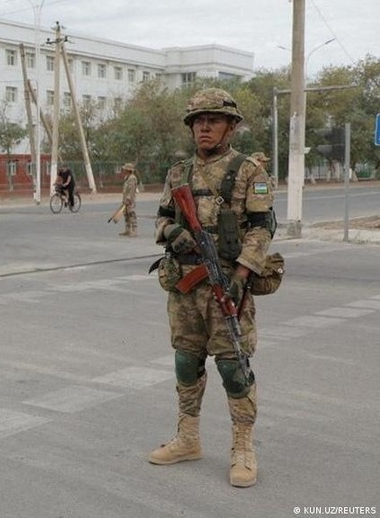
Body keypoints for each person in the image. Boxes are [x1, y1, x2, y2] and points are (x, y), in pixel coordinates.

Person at [149, 88, 275, 488]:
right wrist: (174, 232)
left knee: (233, 366)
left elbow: (262, 227)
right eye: (198, 121)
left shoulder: (249, 171)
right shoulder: (177, 172)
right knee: (186, 361)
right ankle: (188, 438)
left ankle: (242, 446)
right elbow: (161, 220)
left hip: (227, 283)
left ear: (231, 127)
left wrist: (240, 276)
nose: (204, 127)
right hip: (185, 287)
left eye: (213, 120)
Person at [120, 163, 139, 237]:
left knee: (131, 214)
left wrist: (128, 199)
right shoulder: (126, 177)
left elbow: (131, 190)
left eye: (125, 169)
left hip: (130, 200)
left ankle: (134, 231)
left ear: (128, 170)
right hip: (125, 199)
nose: (123, 170)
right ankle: (127, 230)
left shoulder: (132, 178)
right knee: (126, 215)